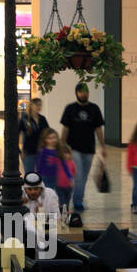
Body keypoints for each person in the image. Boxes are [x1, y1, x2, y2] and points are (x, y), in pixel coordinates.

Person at [59, 82, 104, 211]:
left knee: (83, 177)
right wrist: (62, 145)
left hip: (89, 149)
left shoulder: (94, 109)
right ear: (76, 93)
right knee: (78, 176)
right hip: (74, 148)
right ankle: (78, 202)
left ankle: (78, 198)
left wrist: (103, 146)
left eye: (85, 91)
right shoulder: (70, 108)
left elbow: (98, 129)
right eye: (81, 92)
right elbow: (65, 128)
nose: (83, 94)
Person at [20, 172, 60, 259]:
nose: (33, 192)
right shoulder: (20, 197)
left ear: (41, 188)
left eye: (36, 189)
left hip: (46, 234)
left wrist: (42, 213)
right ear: (25, 189)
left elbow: (57, 217)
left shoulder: (50, 194)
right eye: (29, 189)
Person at [36, 128, 75, 214]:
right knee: (47, 195)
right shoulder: (43, 151)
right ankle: (47, 212)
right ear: (45, 140)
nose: (52, 140)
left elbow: (64, 165)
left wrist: (70, 177)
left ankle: (54, 212)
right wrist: (38, 177)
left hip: (54, 178)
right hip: (45, 178)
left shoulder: (58, 151)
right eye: (49, 138)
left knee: (53, 196)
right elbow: (39, 165)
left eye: (54, 137)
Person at [19, 98, 49, 175]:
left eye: (40, 105)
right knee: (29, 175)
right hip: (28, 152)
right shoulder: (24, 119)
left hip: (41, 151)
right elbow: (16, 134)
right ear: (32, 106)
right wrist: (19, 150)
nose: (39, 107)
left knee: (42, 174)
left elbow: (47, 133)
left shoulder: (42, 119)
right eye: (37, 105)